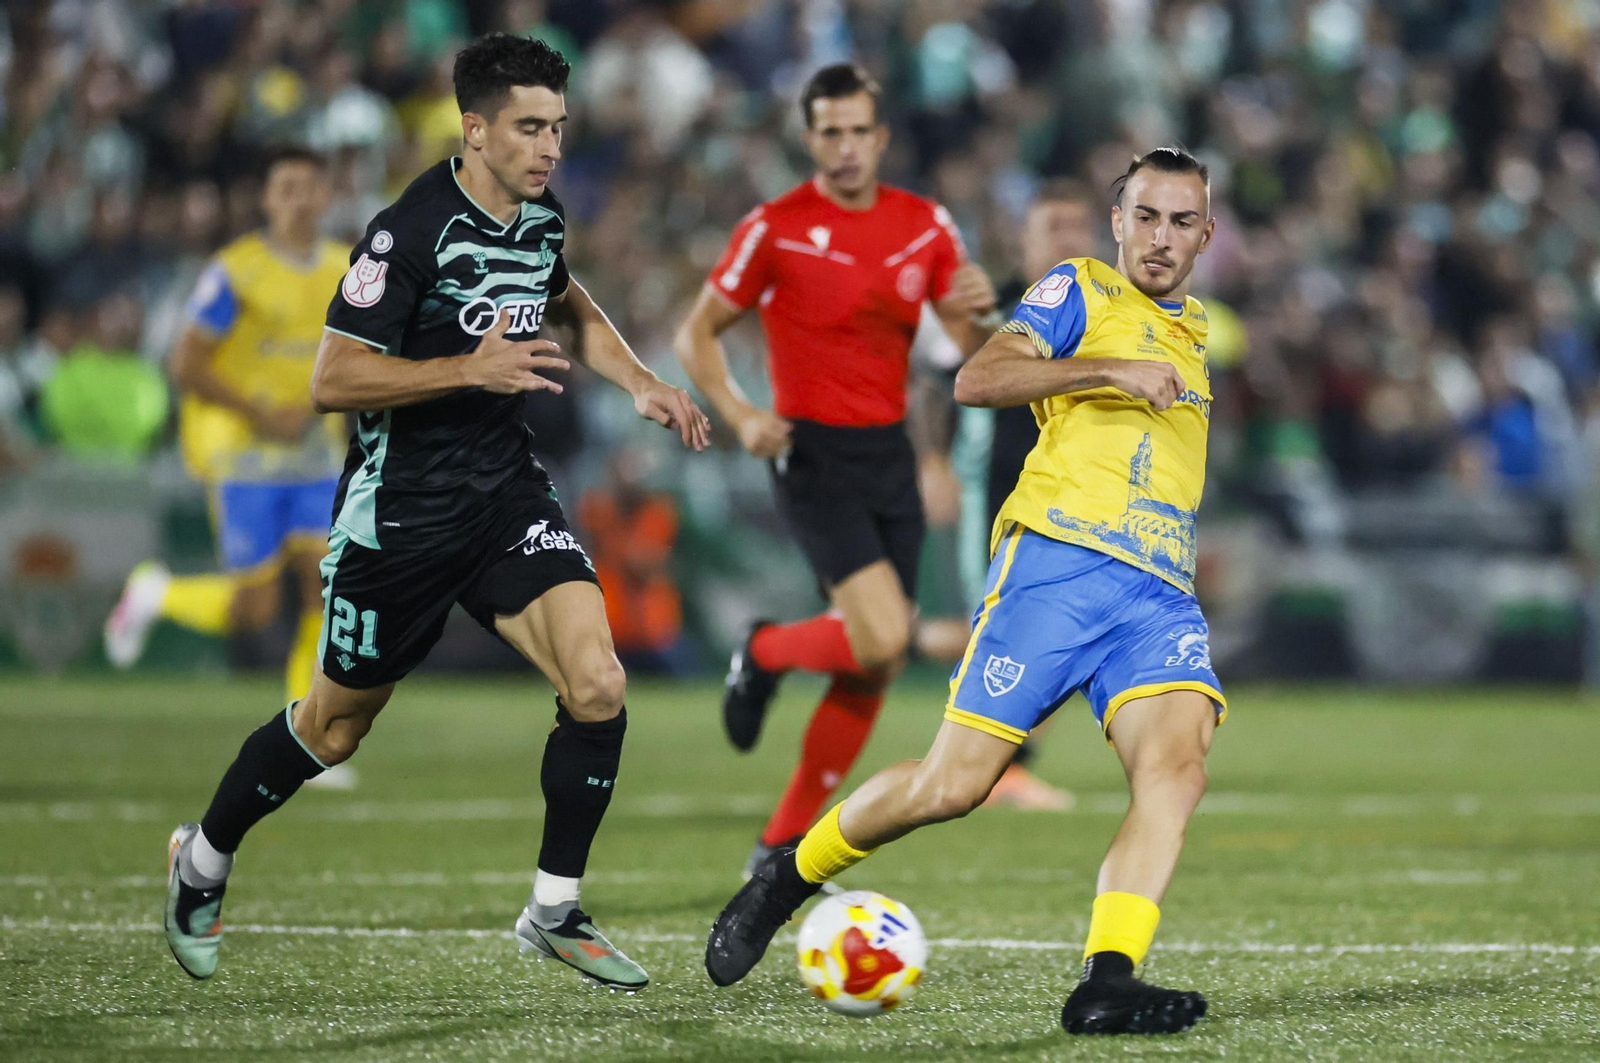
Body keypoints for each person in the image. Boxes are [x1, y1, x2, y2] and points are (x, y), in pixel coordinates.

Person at [160, 34, 710, 993]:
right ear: (474, 130)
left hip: (504, 493)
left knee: (598, 682)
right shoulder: (407, 230)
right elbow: (332, 378)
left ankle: (554, 906)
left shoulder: (539, 218)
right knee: (332, 729)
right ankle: (202, 858)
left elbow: (564, 295)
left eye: (560, 128)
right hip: (400, 516)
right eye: (530, 128)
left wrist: (640, 379)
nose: (549, 147)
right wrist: (470, 366)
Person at [704, 147, 1225, 1038]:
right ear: (1118, 222)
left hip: (1157, 594)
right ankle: (785, 876)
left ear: (1206, 235)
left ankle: (1107, 979)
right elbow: (978, 377)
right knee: (951, 785)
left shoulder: (1198, 328)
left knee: (1176, 772)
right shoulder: (1081, 292)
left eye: (1181, 222)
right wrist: (1104, 370)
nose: (1160, 238)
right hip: (1059, 568)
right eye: (1145, 216)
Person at [675, 63, 997, 880]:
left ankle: (778, 837)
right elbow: (697, 334)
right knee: (884, 633)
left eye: (860, 131)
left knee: (878, 661)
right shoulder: (775, 226)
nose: (847, 147)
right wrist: (744, 413)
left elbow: (971, 352)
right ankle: (767, 649)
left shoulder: (925, 227)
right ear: (809, 137)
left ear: (881, 137)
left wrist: (985, 312)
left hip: (888, 450)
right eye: (830, 132)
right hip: (810, 449)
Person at [104, 149, 350, 739]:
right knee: (255, 610)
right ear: (266, 199)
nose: (299, 199)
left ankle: (307, 737)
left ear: (326, 197)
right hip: (246, 455)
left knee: (326, 584)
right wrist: (261, 414)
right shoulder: (235, 272)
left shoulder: (349, 268)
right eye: (286, 187)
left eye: (310, 187)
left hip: (318, 454)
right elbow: (185, 363)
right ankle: (158, 593)